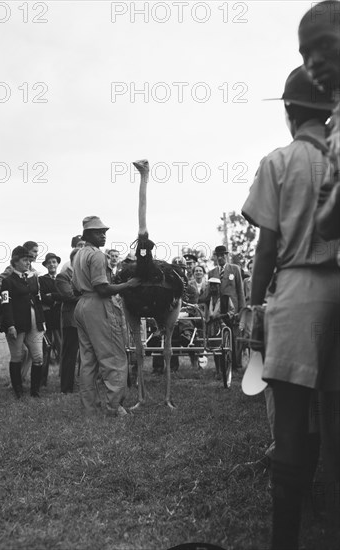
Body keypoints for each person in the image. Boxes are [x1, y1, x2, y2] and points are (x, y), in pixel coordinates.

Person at [242, 65, 339, 550]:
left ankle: (286, 539)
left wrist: (255, 305)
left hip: (297, 288)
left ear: (288, 111)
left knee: (293, 418)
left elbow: (265, 247)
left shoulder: (278, 161)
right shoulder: (338, 159)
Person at [72, 216, 140, 417]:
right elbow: (102, 288)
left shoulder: (78, 254)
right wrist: (128, 285)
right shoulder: (98, 256)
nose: (103, 235)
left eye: (104, 232)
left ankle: (90, 409)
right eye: (98, 232)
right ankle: (114, 407)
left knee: (88, 361)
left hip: (82, 305)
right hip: (97, 305)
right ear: (87, 234)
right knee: (114, 357)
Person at [299, 0, 340, 241]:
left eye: (325, 44)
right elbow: (324, 224)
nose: (313, 61)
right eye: (305, 54)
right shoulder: (334, 126)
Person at [0, 246, 45, 398]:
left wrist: (42, 322)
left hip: (34, 322)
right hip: (17, 323)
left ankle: (35, 391)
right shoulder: (7, 281)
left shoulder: (33, 279)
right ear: (15, 262)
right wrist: (10, 324)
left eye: (29, 260)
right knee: (17, 356)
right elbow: (6, 305)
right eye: (24, 260)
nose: (28, 263)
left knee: (38, 357)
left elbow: (38, 301)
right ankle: (18, 390)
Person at [208, 245, 244, 369]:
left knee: (234, 337)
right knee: (218, 338)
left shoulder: (235, 269)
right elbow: (210, 293)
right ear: (215, 257)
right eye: (218, 255)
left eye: (223, 255)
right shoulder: (212, 272)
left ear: (226, 256)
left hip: (232, 309)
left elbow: (240, 291)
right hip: (218, 310)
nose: (220, 257)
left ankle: (236, 365)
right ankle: (221, 367)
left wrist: (241, 310)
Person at [56, 248, 81, 394]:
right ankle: (66, 387)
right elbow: (69, 296)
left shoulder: (82, 275)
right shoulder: (63, 276)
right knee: (70, 354)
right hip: (70, 320)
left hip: (83, 318)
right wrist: (88, 296)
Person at [39, 252, 62, 385]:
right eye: (49, 263)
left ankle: (64, 378)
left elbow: (65, 294)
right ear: (46, 265)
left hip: (60, 318)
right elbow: (41, 295)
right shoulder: (42, 279)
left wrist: (52, 295)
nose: (52, 264)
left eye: (54, 262)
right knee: (45, 350)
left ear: (57, 263)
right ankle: (42, 380)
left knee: (61, 349)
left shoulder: (62, 278)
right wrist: (55, 298)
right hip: (47, 318)